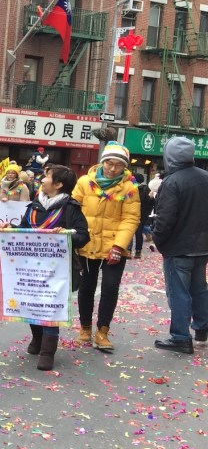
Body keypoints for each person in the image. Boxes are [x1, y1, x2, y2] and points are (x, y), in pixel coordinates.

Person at [14, 165, 90, 371]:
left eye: (47, 176)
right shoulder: (35, 205)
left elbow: (83, 236)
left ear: (58, 184)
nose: (42, 179)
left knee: (50, 308)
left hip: (57, 271)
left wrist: (65, 234)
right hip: (31, 267)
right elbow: (23, 228)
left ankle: (48, 352)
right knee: (32, 304)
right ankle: (37, 339)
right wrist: (9, 230)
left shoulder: (70, 208)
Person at [71, 142, 141, 352]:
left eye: (118, 166)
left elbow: (131, 218)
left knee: (110, 288)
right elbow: (73, 210)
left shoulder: (130, 187)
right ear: (102, 162)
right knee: (86, 287)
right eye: (109, 163)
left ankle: (102, 331)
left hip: (114, 246)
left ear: (124, 167)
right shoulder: (84, 182)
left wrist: (119, 246)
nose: (112, 169)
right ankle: (85, 328)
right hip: (87, 243)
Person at [151, 137, 208, 354]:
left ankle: (180, 337)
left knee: (179, 292)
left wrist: (159, 240)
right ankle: (202, 329)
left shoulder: (172, 182)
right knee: (200, 289)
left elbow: (165, 219)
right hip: (202, 246)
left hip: (179, 247)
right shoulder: (205, 177)